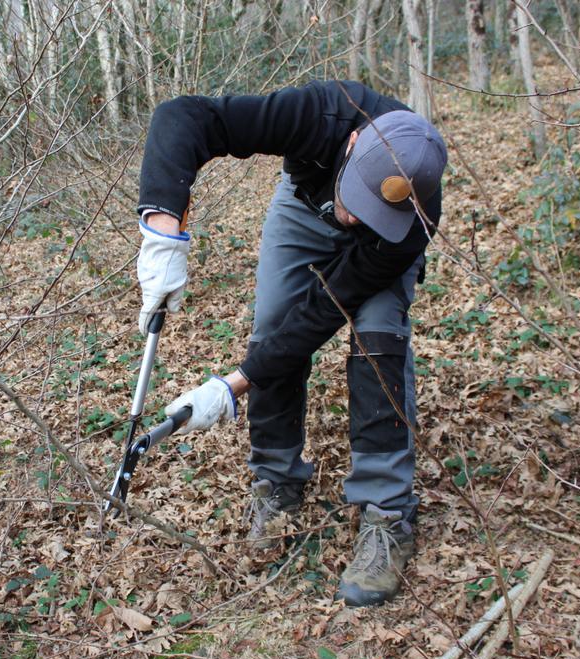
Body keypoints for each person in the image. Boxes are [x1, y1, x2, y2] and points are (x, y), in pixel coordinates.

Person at [134, 80, 447, 607]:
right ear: (350, 145)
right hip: (305, 207)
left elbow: (323, 310)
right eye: (358, 198)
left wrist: (234, 384)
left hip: (381, 247)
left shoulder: (410, 221)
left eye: (373, 208)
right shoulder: (318, 116)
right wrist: (164, 231)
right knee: (273, 322)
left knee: (378, 340)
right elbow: (185, 116)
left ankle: (387, 514)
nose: (356, 217)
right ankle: (275, 482)